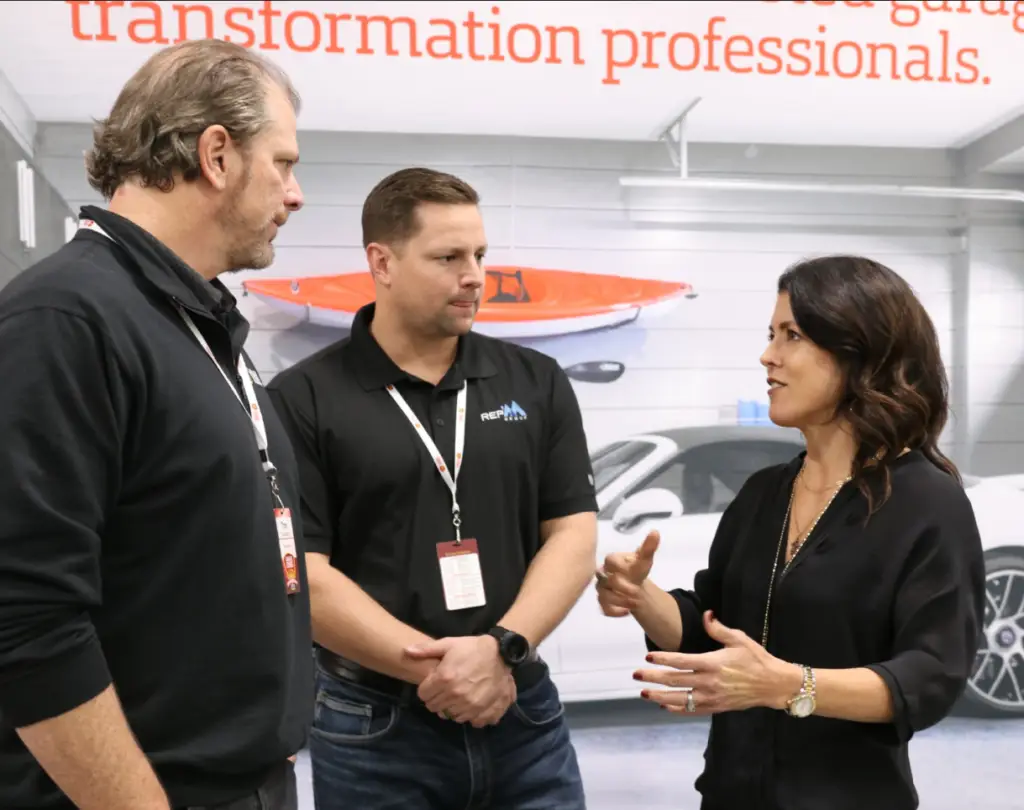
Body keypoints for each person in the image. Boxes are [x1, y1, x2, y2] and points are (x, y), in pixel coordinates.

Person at [0, 39, 312, 810]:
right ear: (216, 155)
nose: (295, 192)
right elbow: (25, 621)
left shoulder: (192, 319)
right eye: (283, 162)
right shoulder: (65, 320)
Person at [596, 255, 986, 810]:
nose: (767, 356)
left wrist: (786, 686)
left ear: (860, 356)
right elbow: (713, 628)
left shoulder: (928, 501)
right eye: (771, 334)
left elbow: (929, 678)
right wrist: (641, 597)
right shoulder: (763, 494)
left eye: (792, 335)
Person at [266, 167, 599, 809]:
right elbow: (305, 571)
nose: (473, 275)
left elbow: (572, 536)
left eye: (479, 255)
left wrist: (500, 652)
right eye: (448, 257)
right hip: (374, 727)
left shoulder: (535, 381)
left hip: (522, 714)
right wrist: (446, 673)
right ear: (382, 262)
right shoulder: (303, 398)